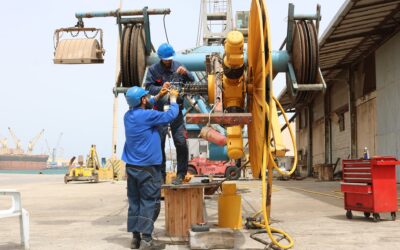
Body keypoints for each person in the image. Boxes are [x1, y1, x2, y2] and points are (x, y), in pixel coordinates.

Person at [122, 86, 179, 249]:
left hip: (132, 167)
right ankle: (147, 240)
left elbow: (145, 104)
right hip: (148, 168)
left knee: (135, 202)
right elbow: (170, 115)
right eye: (145, 97)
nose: (147, 98)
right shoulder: (148, 115)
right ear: (142, 100)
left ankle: (135, 239)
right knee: (150, 202)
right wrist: (173, 99)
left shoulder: (128, 116)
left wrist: (158, 95)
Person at [145, 43, 195, 185]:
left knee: (181, 142)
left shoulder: (179, 66)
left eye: (170, 59)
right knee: (159, 143)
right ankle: (161, 176)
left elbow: (192, 81)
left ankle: (181, 174)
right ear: (160, 58)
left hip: (176, 111)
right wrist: (161, 88)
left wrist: (186, 73)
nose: (168, 61)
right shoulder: (153, 70)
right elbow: (148, 88)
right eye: (165, 59)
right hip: (160, 112)